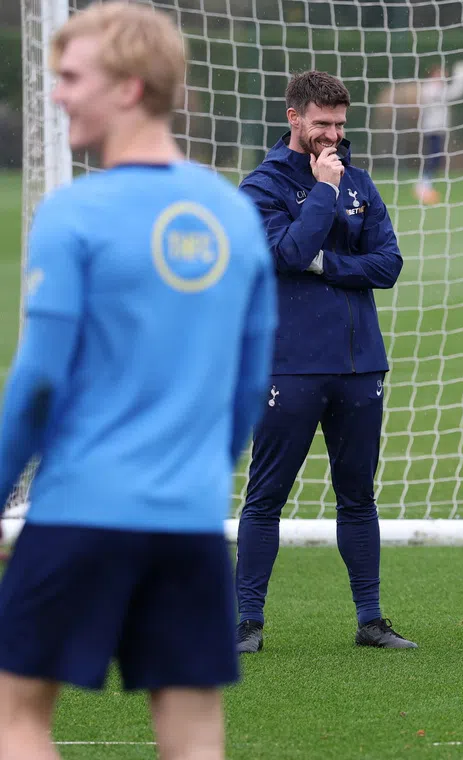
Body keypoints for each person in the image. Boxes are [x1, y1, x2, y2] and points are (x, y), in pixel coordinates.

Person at [0, 4, 276, 759]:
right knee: (192, 740)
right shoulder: (234, 216)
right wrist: (189, 478)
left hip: (80, 515)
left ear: (127, 88)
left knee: (15, 720)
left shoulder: (74, 213)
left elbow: (36, 386)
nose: (56, 94)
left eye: (70, 77)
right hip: (187, 524)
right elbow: (249, 390)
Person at [234, 70, 415, 653]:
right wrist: (325, 196)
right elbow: (285, 252)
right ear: (294, 118)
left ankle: (371, 620)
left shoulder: (359, 181)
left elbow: (387, 265)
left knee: (358, 495)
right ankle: (247, 624)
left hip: (361, 365)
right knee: (267, 496)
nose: (332, 135)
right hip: (290, 365)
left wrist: (325, 264)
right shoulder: (261, 188)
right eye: (321, 124)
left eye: (339, 124)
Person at [414, 60, 463, 204]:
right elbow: (452, 93)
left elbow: (451, 93)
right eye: (439, 73)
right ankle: (423, 185)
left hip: (438, 129)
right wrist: (462, 77)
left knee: (437, 158)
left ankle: (426, 185)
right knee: (433, 157)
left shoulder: (438, 88)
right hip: (431, 129)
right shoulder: (430, 89)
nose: (443, 76)